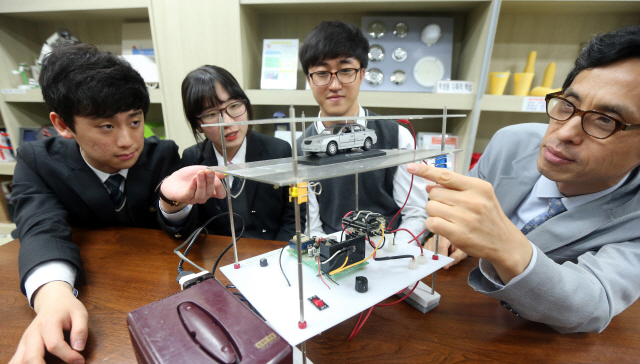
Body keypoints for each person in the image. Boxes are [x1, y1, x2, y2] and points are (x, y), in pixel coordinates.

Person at [6, 43, 224, 364]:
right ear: (63, 124)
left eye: (135, 121)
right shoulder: (37, 160)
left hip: (157, 306)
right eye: (106, 126)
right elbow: (39, 225)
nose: (127, 140)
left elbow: (179, 228)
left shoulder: (162, 154)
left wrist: (171, 203)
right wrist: (53, 295)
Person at [413, 25, 640, 333]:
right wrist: (451, 231)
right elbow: (461, 214)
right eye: (568, 104)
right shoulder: (512, 141)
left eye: (605, 120)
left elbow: (589, 305)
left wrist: (502, 244)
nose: (564, 132)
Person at [297, 20, 428, 243]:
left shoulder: (396, 136)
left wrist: (390, 248)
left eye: (345, 71)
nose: (335, 85)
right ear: (309, 80)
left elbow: (415, 213)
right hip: (332, 256)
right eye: (322, 73)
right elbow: (313, 226)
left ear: (361, 74)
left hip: (389, 247)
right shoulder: (302, 145)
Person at [158, 65, 298, 241]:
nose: (228, 122)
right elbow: (188, 229)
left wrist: (276, 255)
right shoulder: (192, 160)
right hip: (218, 257)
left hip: (271, 256)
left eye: (234, 105)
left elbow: (294, 218)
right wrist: (174, 205)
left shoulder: (279, 151)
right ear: (198, 124)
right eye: (211, 114)